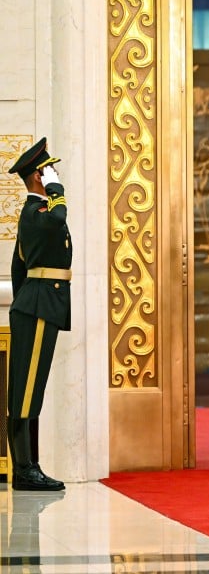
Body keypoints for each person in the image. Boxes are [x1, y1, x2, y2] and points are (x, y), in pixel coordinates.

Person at [6, 138, 70, 491]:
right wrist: (55, 189)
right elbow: (59, 215)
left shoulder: (35, 216)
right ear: (37, 178)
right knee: (27, 389)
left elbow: (18, 268)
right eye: (48, 170)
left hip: (35, 304)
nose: (55, 174)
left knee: (30, 388)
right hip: (39, 305)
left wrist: (22, 304)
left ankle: (27, 467)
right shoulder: (38, 212)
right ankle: (26, 469)